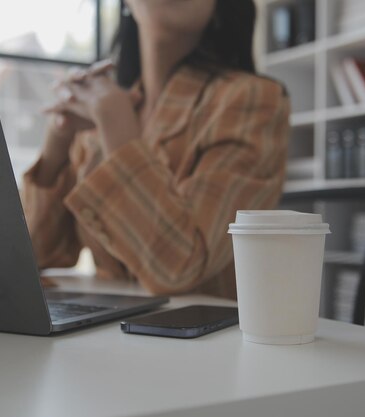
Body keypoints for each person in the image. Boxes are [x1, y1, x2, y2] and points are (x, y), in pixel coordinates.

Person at [21, 0, 290, 299]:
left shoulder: (252, 99)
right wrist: (56, 147)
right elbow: (30, 258)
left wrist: (116, 127)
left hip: (206, 337)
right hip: (106, 332)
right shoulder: (104, 111)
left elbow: (179, 268)